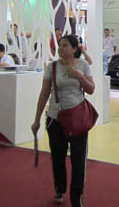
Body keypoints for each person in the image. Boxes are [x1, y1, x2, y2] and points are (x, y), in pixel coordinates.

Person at [32, 35, 95, 206]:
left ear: (74, 49)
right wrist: (37, 120)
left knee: (78, 160)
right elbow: (44, 94)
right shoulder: (52, 67)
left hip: (78, 120)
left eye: (65, 45)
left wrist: (79, 76)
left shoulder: (83, 66)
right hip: (55, 118)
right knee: (58, 158)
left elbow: (91, 89)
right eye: (59, 45)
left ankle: (76, 199)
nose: (60, 48)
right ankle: (60, 188)